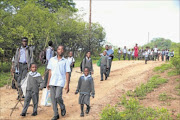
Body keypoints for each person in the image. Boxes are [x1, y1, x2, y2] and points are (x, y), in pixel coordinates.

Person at [46, 45, 71, 120]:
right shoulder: (52, 60)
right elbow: (50, 72)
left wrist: (67, 85)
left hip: (60, 81)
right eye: (59, 49)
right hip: (52, 81)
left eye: (62, 49)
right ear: (57, 50)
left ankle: (62, 107)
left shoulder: (65, 61)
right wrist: (48, 82)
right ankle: (56, 114)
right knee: (53, 99)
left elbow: (67, 73)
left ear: (63, 51)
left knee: (58, 96)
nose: (60, 50)